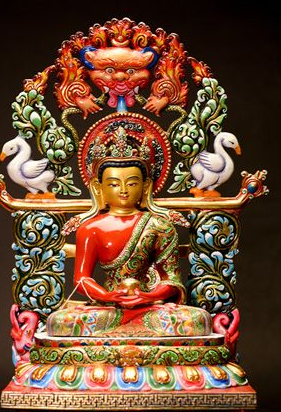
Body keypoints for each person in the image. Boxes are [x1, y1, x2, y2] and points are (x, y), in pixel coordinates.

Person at [46, 128, 212, 338]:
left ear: (146, 186)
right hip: (108, 306)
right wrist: (107, 295)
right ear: (98, 188)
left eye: (132, 183)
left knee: (196, 320)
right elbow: (81, 279)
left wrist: (147, 296)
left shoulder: (160, 226)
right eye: (114, 184)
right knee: (60, 322)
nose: (123, 190)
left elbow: (171, 280)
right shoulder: (90, 228)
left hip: (150, 305)